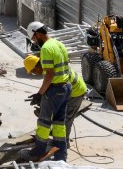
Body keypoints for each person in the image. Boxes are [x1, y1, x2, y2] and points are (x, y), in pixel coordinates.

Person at [24, 22, 71, 162]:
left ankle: (38, 152)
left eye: (33, 38)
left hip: (55, 90)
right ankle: (61, 156)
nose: (34, 41)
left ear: (37, 33)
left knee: (44, 122)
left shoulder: (46, 49)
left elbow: (49, 75)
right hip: (66, 87)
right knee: (59, 124)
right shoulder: (58, 44)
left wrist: (40, 94)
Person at [23, 52, 86, 143]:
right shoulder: (48, 68)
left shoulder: (52, 73)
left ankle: (63, 142)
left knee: (65, 119)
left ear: (37, 65)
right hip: (69, 90)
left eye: (33, 71)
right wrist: (40, 96)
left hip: (76, 92)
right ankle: (56, 134)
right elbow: (49, 87)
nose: (34, 74)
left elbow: (57, 92)